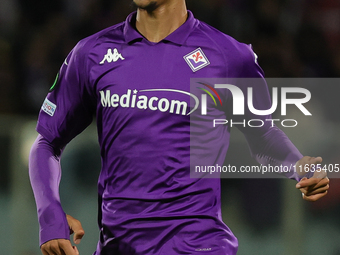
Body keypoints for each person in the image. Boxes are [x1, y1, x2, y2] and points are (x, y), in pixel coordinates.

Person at [29, 0, 330, 254]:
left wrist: (298, 164)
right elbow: (46, 142)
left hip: (199, 244)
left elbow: (262, 134)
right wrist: (50, 216)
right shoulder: (90, 54)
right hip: (118, 245)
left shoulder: (228, 57)